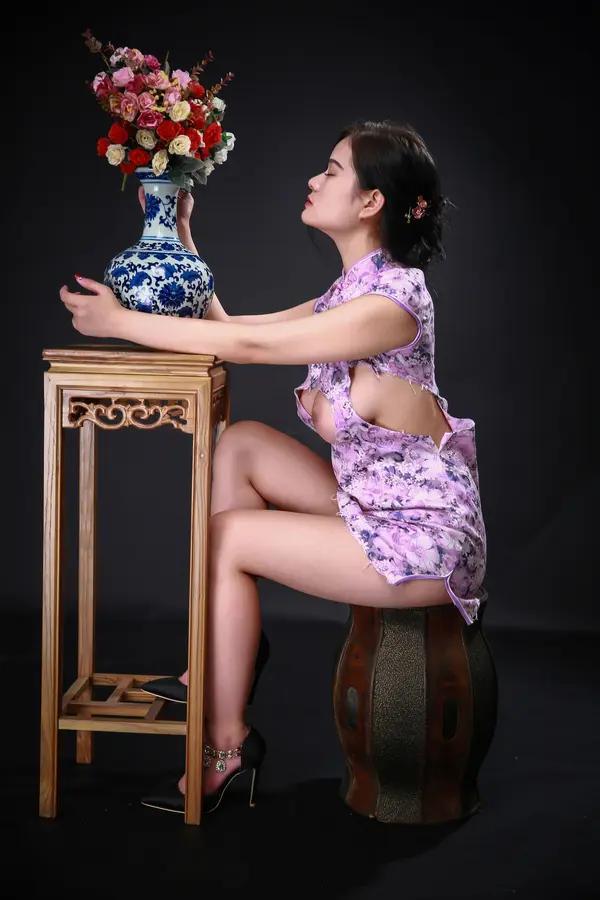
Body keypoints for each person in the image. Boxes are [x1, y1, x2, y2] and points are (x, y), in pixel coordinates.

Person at [59, 119, 487, 815]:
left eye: (331, 170)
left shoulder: (392, 303)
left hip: (422, 537)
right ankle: (223, 652)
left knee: (229, 537)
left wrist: (117, 322)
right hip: (371, 503)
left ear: (371, 201)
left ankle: (227, 746)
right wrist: (181, 233)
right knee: (242, 445)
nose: (314, 180)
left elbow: (253, 349)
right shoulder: (351, 293)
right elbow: (232, 331)